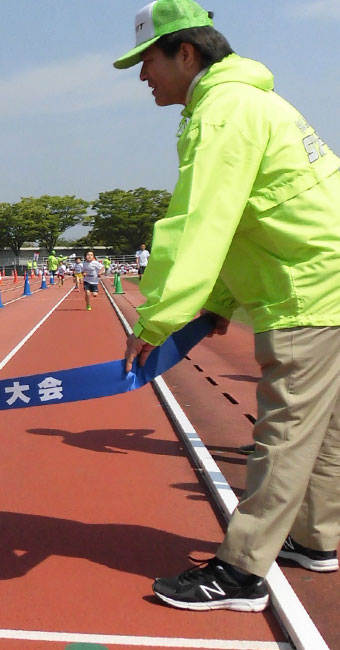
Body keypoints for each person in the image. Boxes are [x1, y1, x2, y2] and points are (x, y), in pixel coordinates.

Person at [117, 0, 340, 612]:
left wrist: (156, 320)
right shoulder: (252, 101)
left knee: (284, 431)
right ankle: (315, 540)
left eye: (147, 61)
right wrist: (217, 301)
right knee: (325, 432)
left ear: (186, 53)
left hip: (307, 287)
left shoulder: (222, 112)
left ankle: (241, 573)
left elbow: (201, 223)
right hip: (328, 278)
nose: (143, 76)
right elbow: (246, 216)